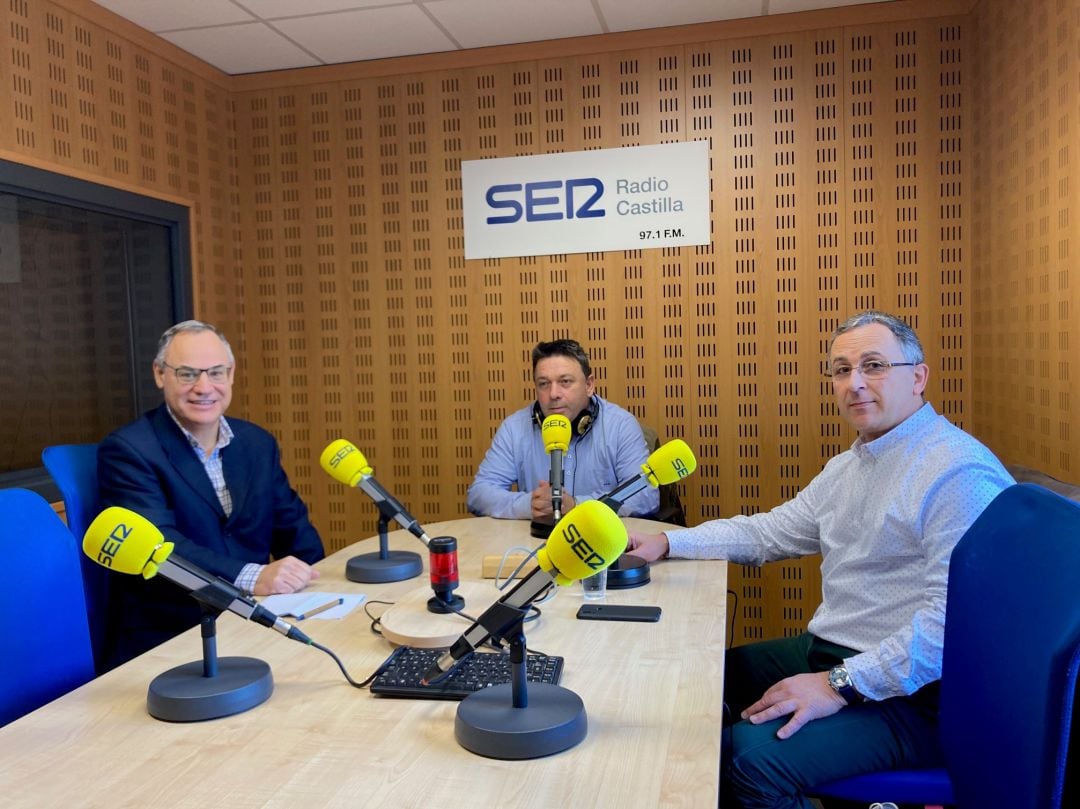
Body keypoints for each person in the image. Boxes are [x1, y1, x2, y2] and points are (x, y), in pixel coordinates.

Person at [626, 311, 1014, 809]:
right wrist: (669, 542)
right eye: (841, 369)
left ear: (918, 377)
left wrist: (837, 685)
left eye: (873, 366)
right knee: (704, 678)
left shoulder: (956, 471)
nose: (854, 383)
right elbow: (769, 531)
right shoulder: (851, 465)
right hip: (838, 652)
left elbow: (951, 630)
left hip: (921, 697)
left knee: (747, 763)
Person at [98, 320, 325, 666]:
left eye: (216, 372)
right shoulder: (129, 450)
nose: (204, 387)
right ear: (160, 374)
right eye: (187, 374)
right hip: (172, 637)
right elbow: (160, 550)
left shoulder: (256, 443)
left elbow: (294, 529)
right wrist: (253, 577)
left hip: (253, 625)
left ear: (231, 374)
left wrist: (313, 579)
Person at [468, 338, 659, 520]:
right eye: (543, 384)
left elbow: (645, 496)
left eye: (565, 382)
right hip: (535, 543)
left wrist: (576, 505)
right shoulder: (514, 428)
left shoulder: (620, 426)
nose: (553, 394)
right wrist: (530, 504)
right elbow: (479, 493)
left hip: (600, 542)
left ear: (589, 385)